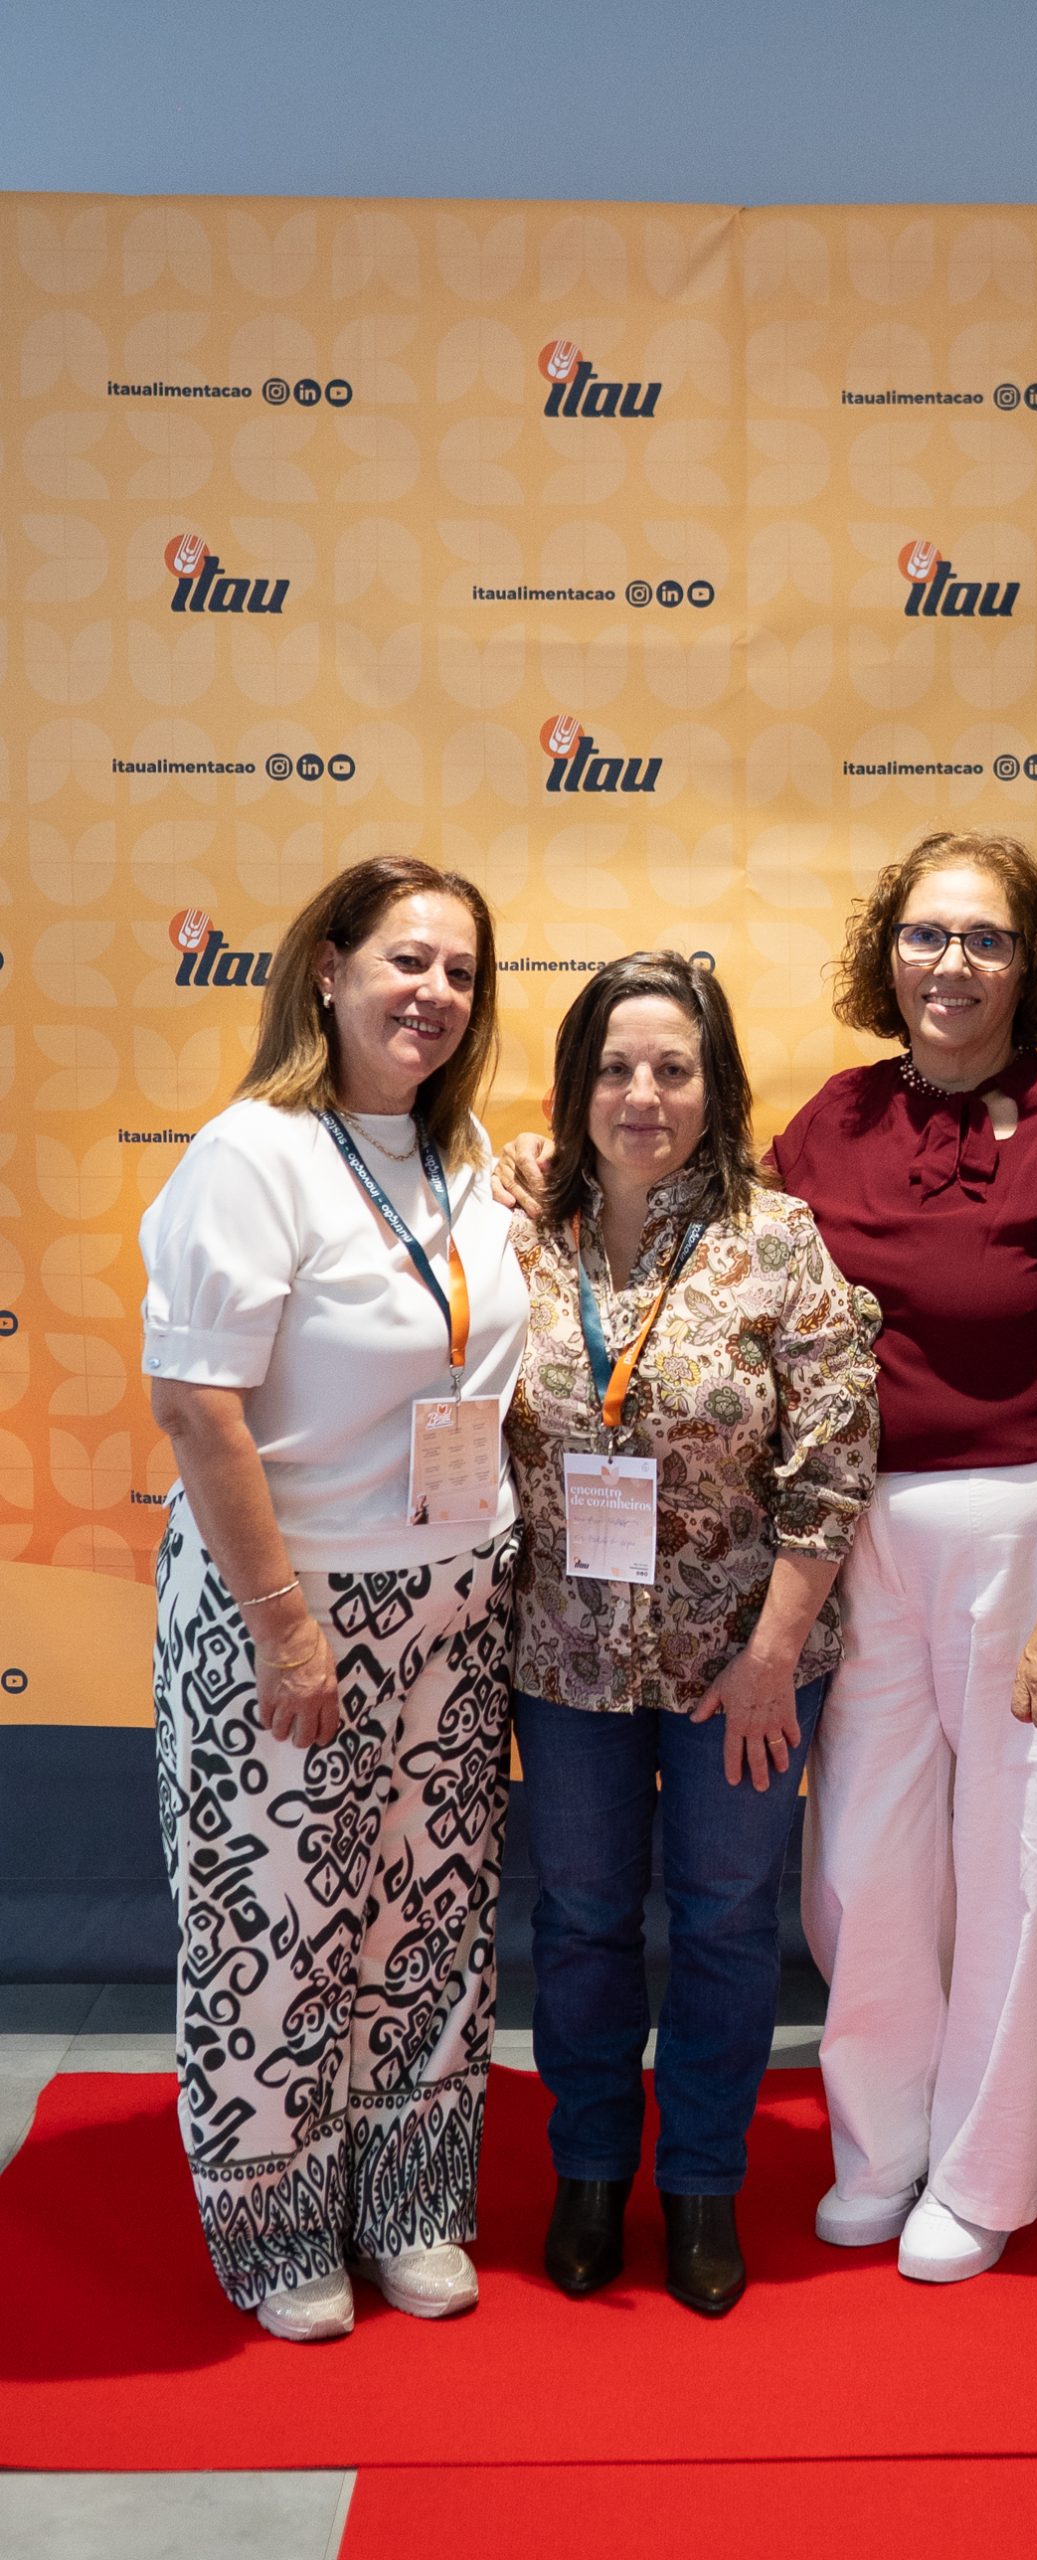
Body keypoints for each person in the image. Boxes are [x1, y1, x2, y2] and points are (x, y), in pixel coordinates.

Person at [142, 856, 529, 2343]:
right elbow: (196, 1406)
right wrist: (288, 1629)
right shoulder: (254, 1155)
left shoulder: (462, 1151)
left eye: (460, 972)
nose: (434, 993)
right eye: (405, 961)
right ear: (327, 969)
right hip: (287, 1610)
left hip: (453, 1604)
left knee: (424, 1919)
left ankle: (410, 2200)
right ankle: (279, 2221)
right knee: (276, 1928)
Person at [774, 831, 1037, 2284]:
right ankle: (880, 2148)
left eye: (986, 938)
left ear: (1028, 964)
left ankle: (985, 2176)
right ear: (890, 952)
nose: (952, 964)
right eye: (927, 934)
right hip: (858, 1534)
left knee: (1020, 1866)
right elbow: (723, 1256)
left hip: (1028, 1531)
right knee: (863, 1863)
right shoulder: (836, 1116)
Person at [504, 952, 879, 2318]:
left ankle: (706, 2180)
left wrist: (774, 1656)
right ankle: (592, 2170)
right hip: (565, 1659)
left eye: (674, 1068)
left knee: (724, 1922)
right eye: (615, 1068)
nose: (643, 1095)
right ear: (574, 1086)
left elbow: (834, 1459)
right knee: (584, 1919)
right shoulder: (517, 1231)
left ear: (715, 1088)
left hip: (745, 1665)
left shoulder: (775, 1240)